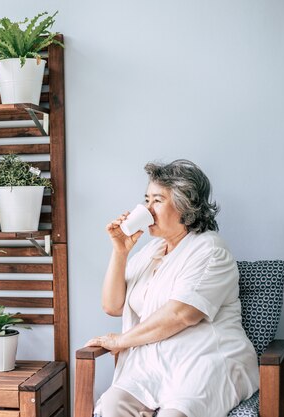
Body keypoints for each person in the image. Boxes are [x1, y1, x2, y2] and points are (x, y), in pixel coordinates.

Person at [86, 160, 259, 417]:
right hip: (152, 365)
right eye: (147, 199)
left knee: (174, 414)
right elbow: (112, 306)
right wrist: (120, 251)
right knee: (112, 405)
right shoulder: (151, 251)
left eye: (157, 200)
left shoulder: (211, 249)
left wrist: (121, 341)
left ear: (184, 206)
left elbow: (181, 314)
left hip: (204, 360)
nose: (147, 209)